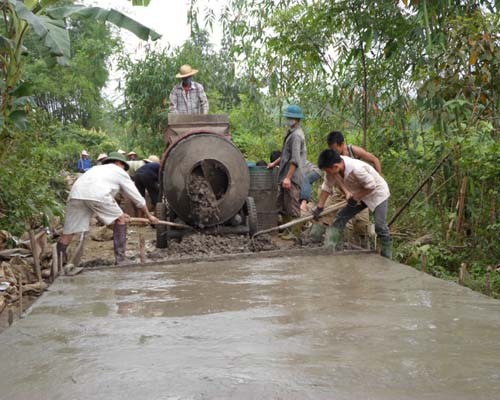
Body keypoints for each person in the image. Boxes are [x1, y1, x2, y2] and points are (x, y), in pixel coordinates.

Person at [57, 152, 159, 266]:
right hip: (97, 194)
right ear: (118, 163)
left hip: (75, 194)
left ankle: (59, 265)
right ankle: (121, 260)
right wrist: (149, 215)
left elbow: (105, 196)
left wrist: (119, 214)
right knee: (121, 220)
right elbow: (136, 197)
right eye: (124, 167)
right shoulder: (119, 171)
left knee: (68, 232)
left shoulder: (95, 169)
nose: (124, 170)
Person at [313, 149, 392, 258]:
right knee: (341, 217)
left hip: (377, 194)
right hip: (359, 194)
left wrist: (356, 198)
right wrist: (320, 206)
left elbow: (371, 186)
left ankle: (387, 257)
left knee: (380, 226)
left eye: (327, 171)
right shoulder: (332, 170)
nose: (327, 173)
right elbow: (327, 186)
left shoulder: (357, 169)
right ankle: (329, 248)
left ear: (335, 167)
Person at [268, 105, 307, 239]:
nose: (288, 120)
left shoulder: (296, 136)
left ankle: (295, 233)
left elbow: (295, 159)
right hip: (286, 173)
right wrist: (274, 163)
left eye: (290, 118)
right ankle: (287, 230)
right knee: (284, 204)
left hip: (293, 175)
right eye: (288, 117)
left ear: (296, 119)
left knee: (293, 204)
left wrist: (288, 178)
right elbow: (285, 154)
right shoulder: (291, 133)